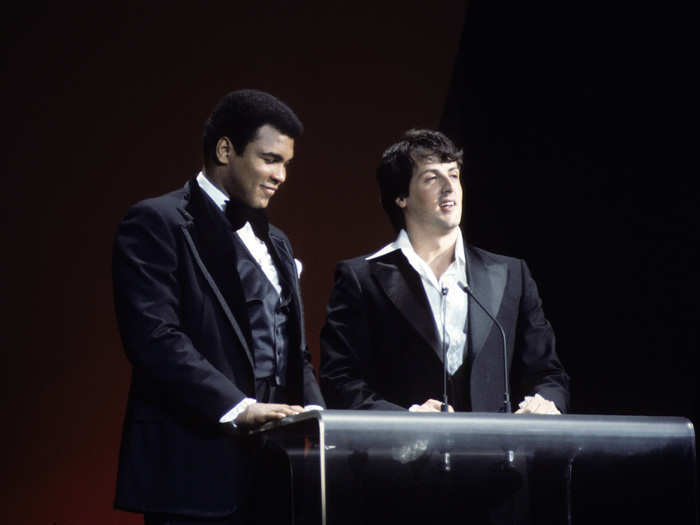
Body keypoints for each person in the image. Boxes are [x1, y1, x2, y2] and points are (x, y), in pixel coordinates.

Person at [113, 89, 325, 524]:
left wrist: (319, 418)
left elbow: (293, 348)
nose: (281, 175)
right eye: (270, 159)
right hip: (197, 468)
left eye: (286, 163)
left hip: (277, 475)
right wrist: (238, 407)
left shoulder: (279, 241)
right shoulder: (157, 222)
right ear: (226, 150)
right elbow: (155, 338)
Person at [320, 129, 569, 414]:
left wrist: (546, 403)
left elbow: (548, 373)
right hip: (402, 456)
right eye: (431, 178)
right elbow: (339, 380)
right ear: (401, 197)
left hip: (495, 455)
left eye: (453, 174)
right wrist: (405, 421)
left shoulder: (511, 274)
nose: (449, 187)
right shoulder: (361, 279)